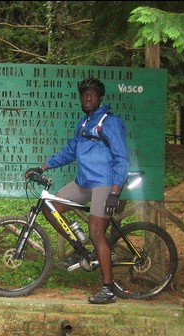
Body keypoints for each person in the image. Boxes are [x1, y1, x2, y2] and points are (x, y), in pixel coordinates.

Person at [24, 77, 130, 304]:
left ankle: (109, 289)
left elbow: (122, 158)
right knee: (51, 206)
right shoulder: (84, 124)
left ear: (100, 97)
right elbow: (69, 151)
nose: (88, 97)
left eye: (92, 94)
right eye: (84, 94)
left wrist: (114, 191)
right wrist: (43, 167)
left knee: (97, 232)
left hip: (105, 182)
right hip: (84, 182)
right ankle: (81, 249)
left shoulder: (109, 122)